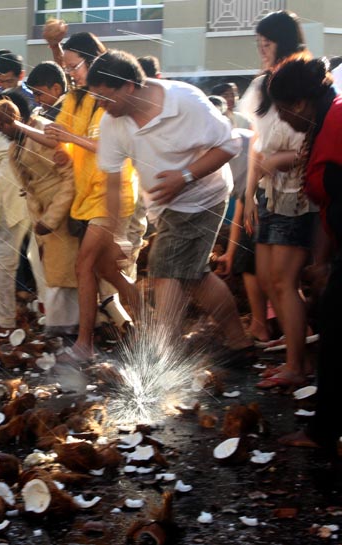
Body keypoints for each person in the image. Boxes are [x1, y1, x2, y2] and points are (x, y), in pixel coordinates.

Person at [87, 50, 252, 362]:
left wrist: (185, 177)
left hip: (203, 196)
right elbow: (112, 182)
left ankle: (163, 362)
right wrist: (114, 236)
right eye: (96, 97)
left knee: (165, 271)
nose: (100, 105)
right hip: (164, 207)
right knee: (194, 276)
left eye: (105, 97)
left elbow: (230, 145)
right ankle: (239, 342)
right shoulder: (112, 121)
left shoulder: (186, 101)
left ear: (129, 87)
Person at [40, 33, 141, 362]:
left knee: (83, 265)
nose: (69, 72)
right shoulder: (75, 99)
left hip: (112, 193)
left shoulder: (107, 99)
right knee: (108, 270)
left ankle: (85, 345)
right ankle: (154, 321)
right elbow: (62, 139)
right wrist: (19, 127)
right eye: (67, 68)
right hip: (87, 196)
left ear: (94, 62)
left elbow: (108, 147)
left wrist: (69, 137)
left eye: (74, 66)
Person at [239, 11, 316, 389]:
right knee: (269, 280)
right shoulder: (260, 87)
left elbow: (308, 146)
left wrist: (276, 162)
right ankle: (294, 356)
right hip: (269, 193)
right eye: (259, 44)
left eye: (266, 43)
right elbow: (255, 143)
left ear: (284, 42)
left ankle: (298, 365)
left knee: (284, 282)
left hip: (298, 195)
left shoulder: (305, 79)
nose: (262, 50)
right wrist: (251, 193)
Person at [267, 56, 341, 451]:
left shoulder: (339, 121)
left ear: (298, 104)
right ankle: (326, 425)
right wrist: (322, 260)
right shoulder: (326, 120)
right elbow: (332, 202)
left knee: (335, 326)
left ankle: (324, 431)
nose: (282, 121)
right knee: (332, 321)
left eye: (281, 111)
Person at [0, 91, 80, 336]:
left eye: (4, 122)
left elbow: (69, 177)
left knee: (64, 273)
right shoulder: (18, 142)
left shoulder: (42, 131)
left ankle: (71, 332)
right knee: (49, 270)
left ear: (18, 117)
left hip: (60, 213)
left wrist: (51, 219)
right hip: (43, 215)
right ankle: (60, 328)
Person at [0, 92, 37, 332]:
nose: (2, 125)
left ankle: (54, 319)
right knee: (6, 264)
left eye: (8, 119)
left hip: (40, 203)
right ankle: (5, 320)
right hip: (11, 205)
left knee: (44, 262)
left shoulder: (34, 129)